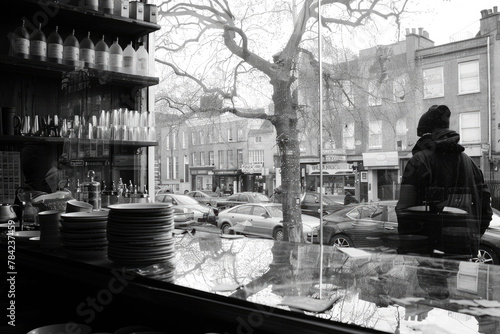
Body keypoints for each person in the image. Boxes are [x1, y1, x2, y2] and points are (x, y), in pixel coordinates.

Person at [396, 105, 492, 258]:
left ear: (426, 134)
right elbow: (486, 209)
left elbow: (404, 211)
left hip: (428, 252)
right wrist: (471, 239)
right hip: (462, 250)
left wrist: (408, 248)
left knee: (430, 282)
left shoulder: (419, 161)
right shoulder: (471, 164)